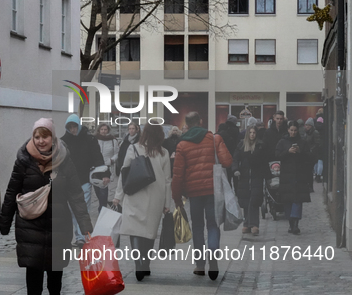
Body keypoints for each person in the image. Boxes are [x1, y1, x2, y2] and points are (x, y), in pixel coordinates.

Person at [0, 118, 93, 295]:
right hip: (30, 221)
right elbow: (12, 190)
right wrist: (4, 220)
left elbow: (76, 195)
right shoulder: (23, 160)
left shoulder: (64, 160)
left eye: (45, 136)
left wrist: (85, 225)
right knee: (32, 266)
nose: (41, 141)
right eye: (37, 137)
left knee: (55, 265)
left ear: (53, 137)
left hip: (58, 221)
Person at [172, 112, 232, 280]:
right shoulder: (214, 139)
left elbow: (177, 175)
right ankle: (213, 258)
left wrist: (177, 199)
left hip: (193, 192)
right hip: (213, 190)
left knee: (197, 226)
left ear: (187, 124)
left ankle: (200, 265)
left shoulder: (182, 145)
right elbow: (227, 162)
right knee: (213, 225)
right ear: (201, 121)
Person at [112, 124, 171, 281]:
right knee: (149, 231)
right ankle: (146, 264)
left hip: (135, 194)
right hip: (156, 196)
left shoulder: (134, 148)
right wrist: (167, 203)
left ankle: (139, 264)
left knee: (135, 230)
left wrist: (118, 196)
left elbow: (124, 173)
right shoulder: (164, 153)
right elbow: (167, 181)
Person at [60, 114, 108, 248]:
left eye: (74, 126)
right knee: (69, 209)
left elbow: (97, 157)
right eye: (70, 127)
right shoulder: (63, 141)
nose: (73, 129)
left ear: (78, 126)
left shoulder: (89, 139)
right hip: (67, 181)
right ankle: (75, 235)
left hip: (84, 179)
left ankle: (81, 237)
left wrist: (104, 173)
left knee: (83, 208)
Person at [275, 121, 312, 235]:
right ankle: (291, 223)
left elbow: (309, 157)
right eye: (291, 130)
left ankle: (295, 224)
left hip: (299, 175)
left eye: (295, 130)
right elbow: (277, 155)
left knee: (297, 200)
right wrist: (288, 152)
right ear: (288, 130)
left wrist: (300, 152)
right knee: (288, 200)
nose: (293, 132)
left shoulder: (302, 142)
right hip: (286, 175)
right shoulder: (282, 142)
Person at [232, 126, 269, 236]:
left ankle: (254, 224)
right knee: (245, 200)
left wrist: (267, 176)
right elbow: (235, 159)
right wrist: (236, 169)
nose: (252, 134)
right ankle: (246, 223)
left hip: (256, 175)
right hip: (244, 176)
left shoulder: (260, 146)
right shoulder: (241, 146)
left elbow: (263, 161)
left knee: (254, 200)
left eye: (254, 132)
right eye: (250, 132)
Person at [95, 124, 119, 212]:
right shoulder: (94, 139)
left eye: (105, 129)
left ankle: (102, 208)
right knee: (97, 188)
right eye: (102, 129)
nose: (103, 131)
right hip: (95, 168)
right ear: (99, 130)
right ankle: (102, 205)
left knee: (103, 188)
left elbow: (117, 153)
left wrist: (112, 160)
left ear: (108, 130)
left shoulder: (113, 140)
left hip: (106, 167)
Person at [301, 118, 321, 192]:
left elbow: (317, 143)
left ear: (312, 126)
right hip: (306, 155)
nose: (307, 126)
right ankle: (307, 186)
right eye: (306, 125)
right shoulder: (306, 133)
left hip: (312, 155)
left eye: (309, 125)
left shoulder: (315, 132)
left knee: (309, 171)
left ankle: (310, 187)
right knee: (306, 171)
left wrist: (311, 150)